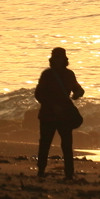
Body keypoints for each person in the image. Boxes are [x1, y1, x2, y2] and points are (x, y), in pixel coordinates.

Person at [34, 47, 85, 180]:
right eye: (54, 58)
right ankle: (41, 170)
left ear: (64, 60)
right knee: (45, 143)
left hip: (63, 116)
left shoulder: (69, 74)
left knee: (67, 145)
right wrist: (53, 106)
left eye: (59, 58)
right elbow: (38, 94)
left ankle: (69, 173)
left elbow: (78, 89)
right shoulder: (47, 74)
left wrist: (78, 93)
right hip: (48, 115)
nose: (56, 61)